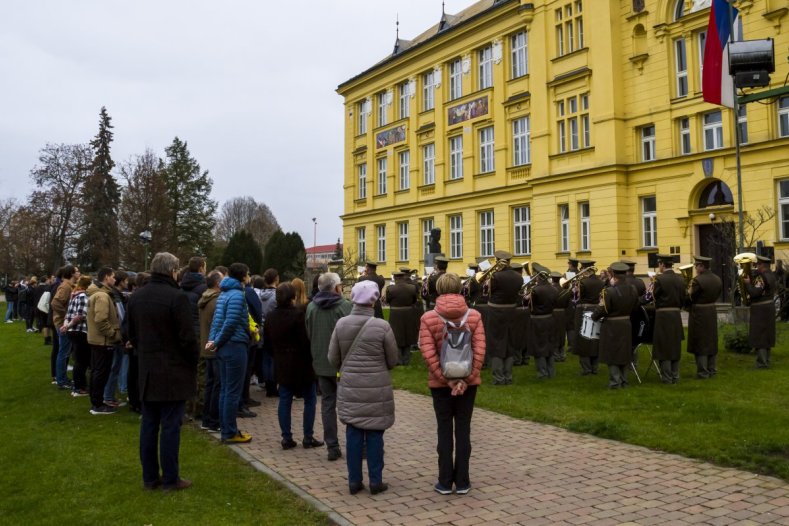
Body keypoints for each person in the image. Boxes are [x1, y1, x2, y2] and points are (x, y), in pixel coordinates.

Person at [127, 252, 198, 491]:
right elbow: (188, 338)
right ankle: (170, 478)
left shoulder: (137, 297)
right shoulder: (176, 298)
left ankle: (149, 477)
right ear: (172, 271)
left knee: (149, 425)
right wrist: (191, 361)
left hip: (147, 369)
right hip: (172, 370)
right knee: (169, 426)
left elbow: (130, 333)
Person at [328, 280, 398, 495]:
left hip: (350, 386)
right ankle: (376, 480)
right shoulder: (382, 326)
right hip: (377, 387)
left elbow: (332, 358)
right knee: (376, 434)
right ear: (374, 300)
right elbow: (393, 359)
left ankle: (354, 481)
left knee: (354, 433)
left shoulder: (341, 324)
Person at [418, 273, 485, 495]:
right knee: (464, 430)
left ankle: (445, 481)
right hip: (469, 382)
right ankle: (463, 481)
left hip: (440, 384)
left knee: (444, 430)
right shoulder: (474, 315)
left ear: (437, 289)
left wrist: (446, 379)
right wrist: (466, 378)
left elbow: (428, 352)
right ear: (460, 289)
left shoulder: (429, 317)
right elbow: (480, 351)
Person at [264, 282, 324, 450]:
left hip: (282, 362)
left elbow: (267, 343)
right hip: (301, 362)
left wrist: (277, 354)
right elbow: (305, 341)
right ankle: (308, 436)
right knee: (310, 398)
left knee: (285, 399)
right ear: (293, 297)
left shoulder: (270, 317)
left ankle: (286, 437)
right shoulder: (298, 315)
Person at [306, 272, 352, 461]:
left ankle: (332, 446)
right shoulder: (345, 306)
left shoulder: (311, 308)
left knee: (327, 404)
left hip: (321, 362)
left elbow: (310, 333)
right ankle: (358, 445)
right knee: (350, 406)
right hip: (344, 363)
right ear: (336, 288)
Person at [207, 263, 253, 444]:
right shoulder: (236, 295)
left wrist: (213, 341)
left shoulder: (223, 294)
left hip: (224, 346)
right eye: (247, 274)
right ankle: (230, 432)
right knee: (232, 391)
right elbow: (230, 322)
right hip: (234, 346)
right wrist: (216, 342)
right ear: (243, 276)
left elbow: (216, 322)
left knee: (226, 390)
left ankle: (226, 429)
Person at [591, 263, 639, 389]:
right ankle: (624, 381)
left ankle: (615, 382)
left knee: (612, 353)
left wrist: (594, 316)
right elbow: (636, 307)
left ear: (613, 275)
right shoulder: (633, 289)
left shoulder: (608, 292)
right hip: (626, 324)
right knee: (624, 352)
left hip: (612, 325)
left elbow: (602, 309)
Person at [87, 267, 122, 415]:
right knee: (101, 372)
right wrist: (113, 334)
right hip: (103, 341)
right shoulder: (102, 296)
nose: (115, 279)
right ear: (107, 277)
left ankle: (96, 401)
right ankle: (98, 405)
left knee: (97, 371)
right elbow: (101, 319)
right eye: (113, 277)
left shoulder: (98, 294)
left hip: (97, 339)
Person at [485, 251, 522, 384]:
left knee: (496, 343)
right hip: (512, 311)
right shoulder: (518, 277)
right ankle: (508, 375)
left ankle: (498, 377)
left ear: (498, 260)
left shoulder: (495, 276)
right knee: (509, 342)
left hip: (496, 311)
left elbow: (488, 292)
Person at [650, 254, 687, 383]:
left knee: (664, 346)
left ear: (662, 265)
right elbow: (684, 298)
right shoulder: (680, 279)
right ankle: (675, 375)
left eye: (659, 264)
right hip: (676, 315)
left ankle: (666, 376)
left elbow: (653, 297)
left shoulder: (659, 279)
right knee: (675, 345)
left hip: (663, 315)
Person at [686, 256, 722, 378]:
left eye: (697, 266)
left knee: (700, 341)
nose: (695, 268)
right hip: (711, 311)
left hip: (699, 313)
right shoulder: (717, 279)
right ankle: (712, 369)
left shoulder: (697, 281)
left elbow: (690, 297)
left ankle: (702, 371)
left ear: (702, 266)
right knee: (711, 339)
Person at [199, 270, 224, 431]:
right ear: (217, 284)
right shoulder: (216, 302)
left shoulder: (204, 299)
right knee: (217, 384)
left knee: (210, 384)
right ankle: (213, 420)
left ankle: (207, 418)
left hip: (206, 346)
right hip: (214, 348)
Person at [525, 266, 559, 378]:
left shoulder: (535, 290)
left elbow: (530, 305)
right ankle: (551, 371)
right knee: (549, 345)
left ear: (538, 277)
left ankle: (542, 372)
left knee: (539, 346)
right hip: (550, 318)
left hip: (538, 320)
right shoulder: (554, 289)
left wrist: (526, 298)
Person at [744, 255, 777, 368]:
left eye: (757, 264)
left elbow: (755, 292)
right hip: (769, 307)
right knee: (767, 334)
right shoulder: (771, 275)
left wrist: (748, 283)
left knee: (760, 335)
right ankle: (766, 360)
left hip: (760, 309)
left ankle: (762, 362)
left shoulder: (761, 277)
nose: (756, 267)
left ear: (762, 265)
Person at [62, 275, 93, 397]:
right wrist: (68, 326)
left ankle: (79, 386)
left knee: (79, 360)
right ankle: (79, 388)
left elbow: (68, 313)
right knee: (82, 361)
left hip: (72, 331)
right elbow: (79, 316)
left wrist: (66, 325)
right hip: (80, 331)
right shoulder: (83, 297)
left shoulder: (74, 295)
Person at [574, 259, 604, 376]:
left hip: (584, 310)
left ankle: (586, 368)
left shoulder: (582, 282)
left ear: (585, 269)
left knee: (584, 340)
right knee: (595, 338)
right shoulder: (601, 282)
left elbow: (577, 298)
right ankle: (595, 367)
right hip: (597, 310)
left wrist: (575, 290)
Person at [383, 270, 419, 365]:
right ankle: (406, 359)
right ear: (403, 277)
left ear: (395, 278)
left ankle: (399, 359)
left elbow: (387, 301)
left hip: (395, 314)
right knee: (408, 335)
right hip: (408, 313)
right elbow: (414, 300)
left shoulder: (390, 289)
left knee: (396, 336)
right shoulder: (412, 288)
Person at [52, 265, 80, 389]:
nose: (79, 273)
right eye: (77, 271)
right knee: (63, 353)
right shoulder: (65, 286)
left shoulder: (70, 286)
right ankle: (61, 381)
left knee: (65, 352)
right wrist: (66, 316)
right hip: (62, 324)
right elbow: (55, 303)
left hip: (64, 323)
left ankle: (62, 379)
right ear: (72, 273)